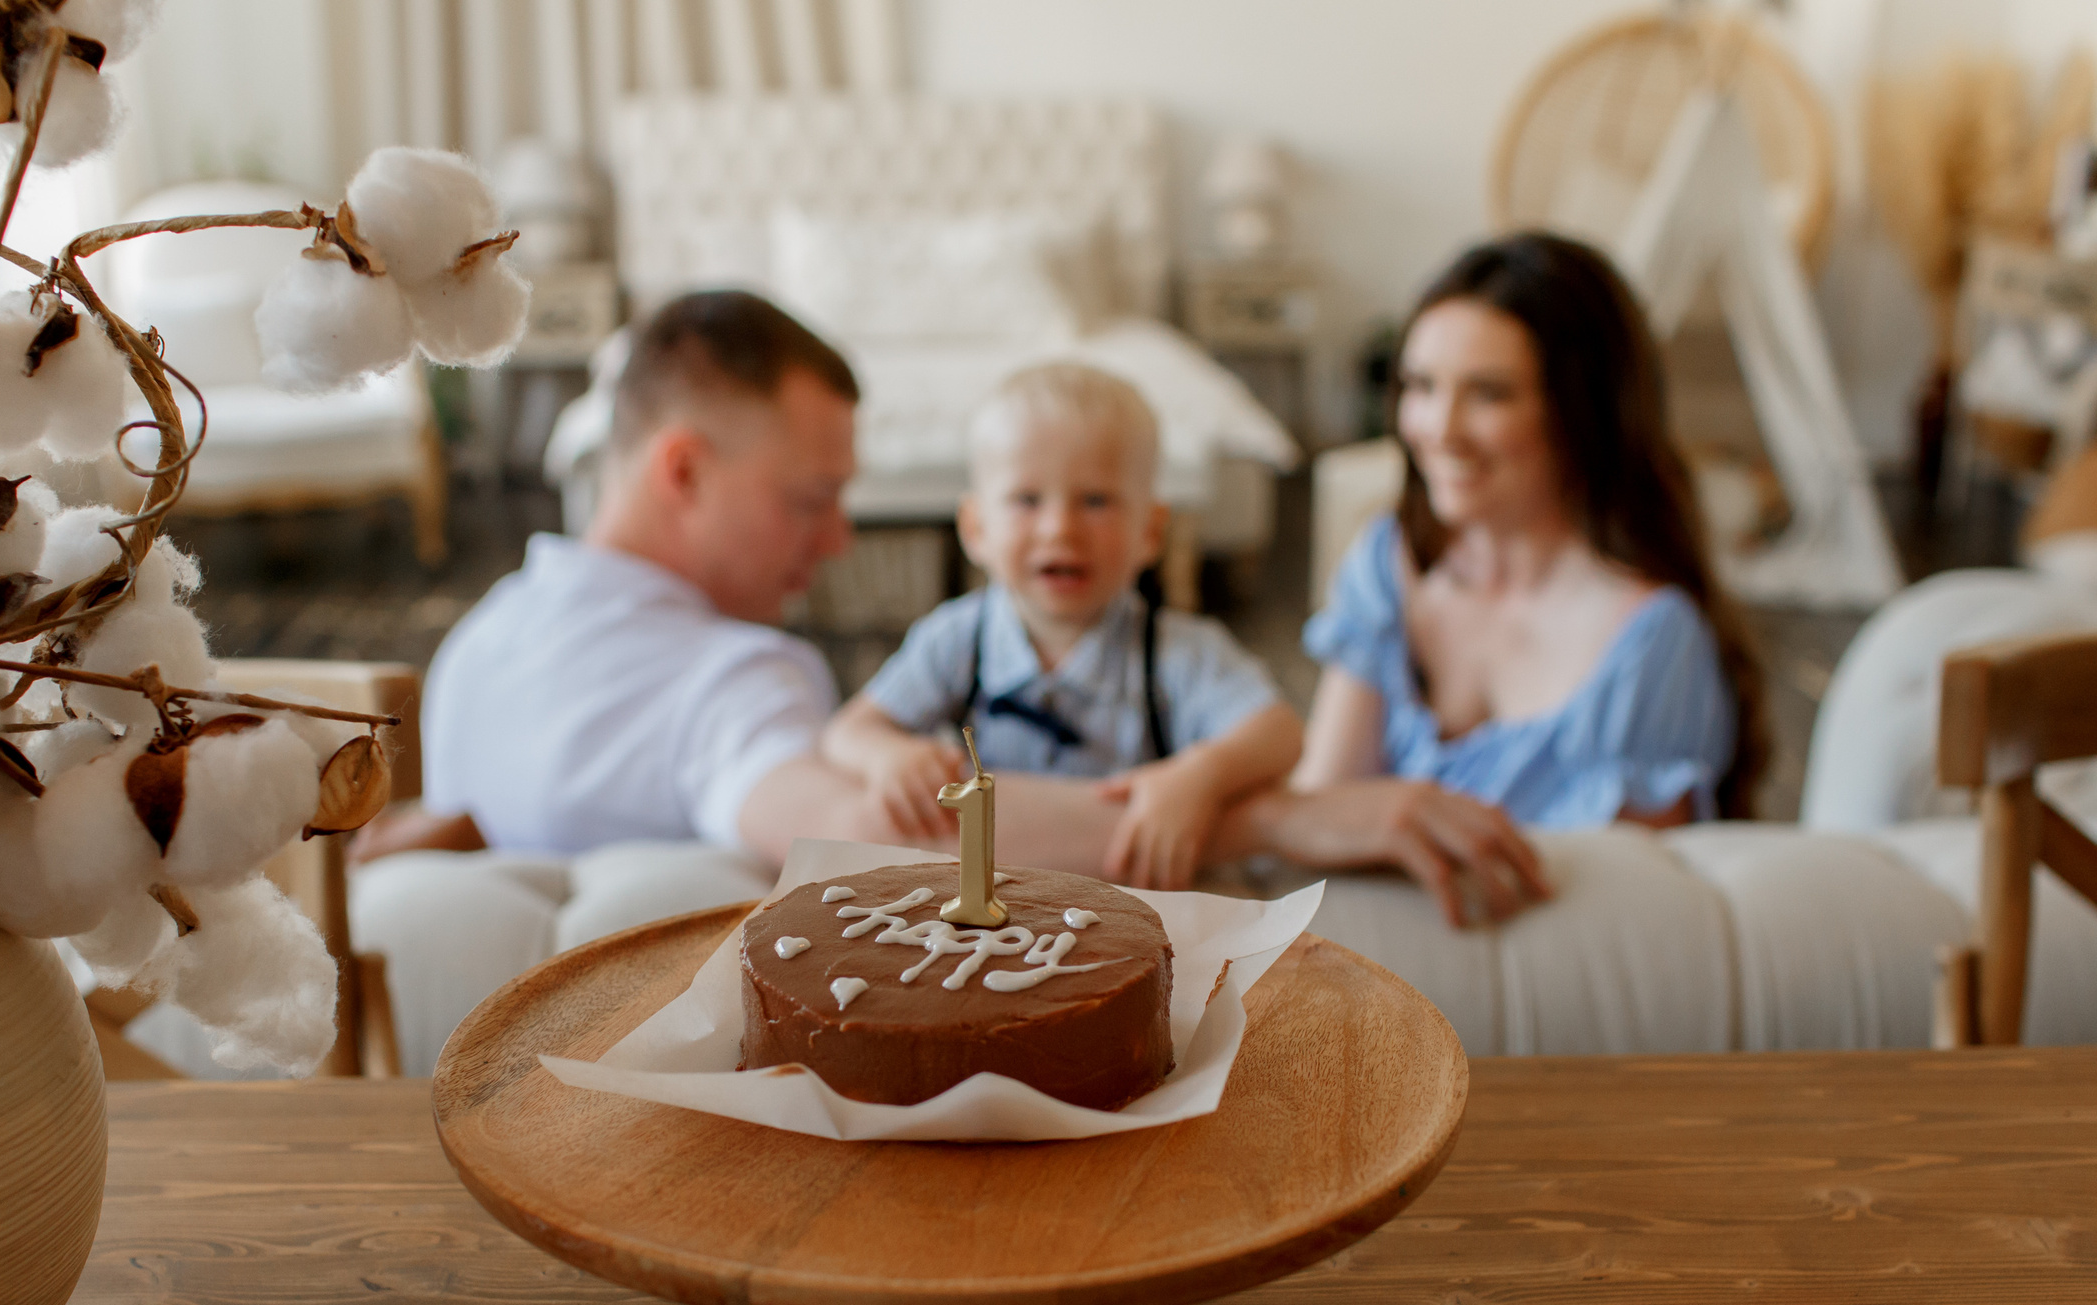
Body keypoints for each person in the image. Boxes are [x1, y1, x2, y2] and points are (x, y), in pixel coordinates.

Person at [1220, 232, 1771, 927]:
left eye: (1488, 393)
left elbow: (1631, 932)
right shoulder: (1389, 561)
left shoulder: (1652, 643)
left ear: (1581, 412)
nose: (1439, 428)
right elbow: (1319, 811)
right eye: (1421, 386)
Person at [371, 289, 918, 866]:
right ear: (685, 473)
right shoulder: (733, 683)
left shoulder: (474, 647)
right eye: (811, 500)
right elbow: (867, 848)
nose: (838, 540)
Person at [823, 364, 1301, 890]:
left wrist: (1200, 776)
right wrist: (890, 755)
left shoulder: (1175, 650)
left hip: (1128, 895)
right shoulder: (957, 638)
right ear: (976, 528)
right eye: (1027, 500)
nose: (1060, 528)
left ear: (1150, 531)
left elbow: (1280, 734)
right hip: (997, 896)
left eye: (1096, 501)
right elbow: (848, 731)